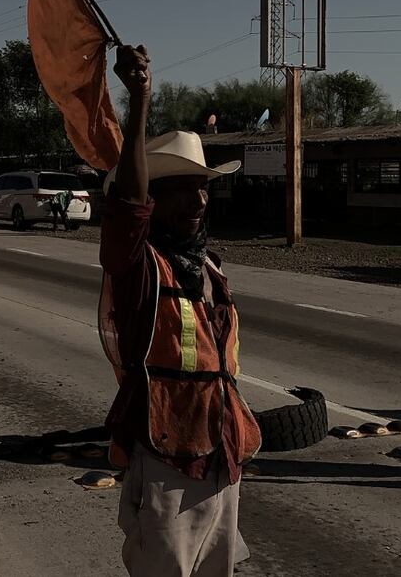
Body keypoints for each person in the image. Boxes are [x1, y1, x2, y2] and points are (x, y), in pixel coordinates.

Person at [99, 44, 261, 577]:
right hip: (167, 452)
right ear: (154, 198)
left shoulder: (209, 266)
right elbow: (127, 209)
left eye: (203, 190)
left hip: (220, 450)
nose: (198, 202)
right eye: (182, 192)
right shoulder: (139, 266)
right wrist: (140, 97)